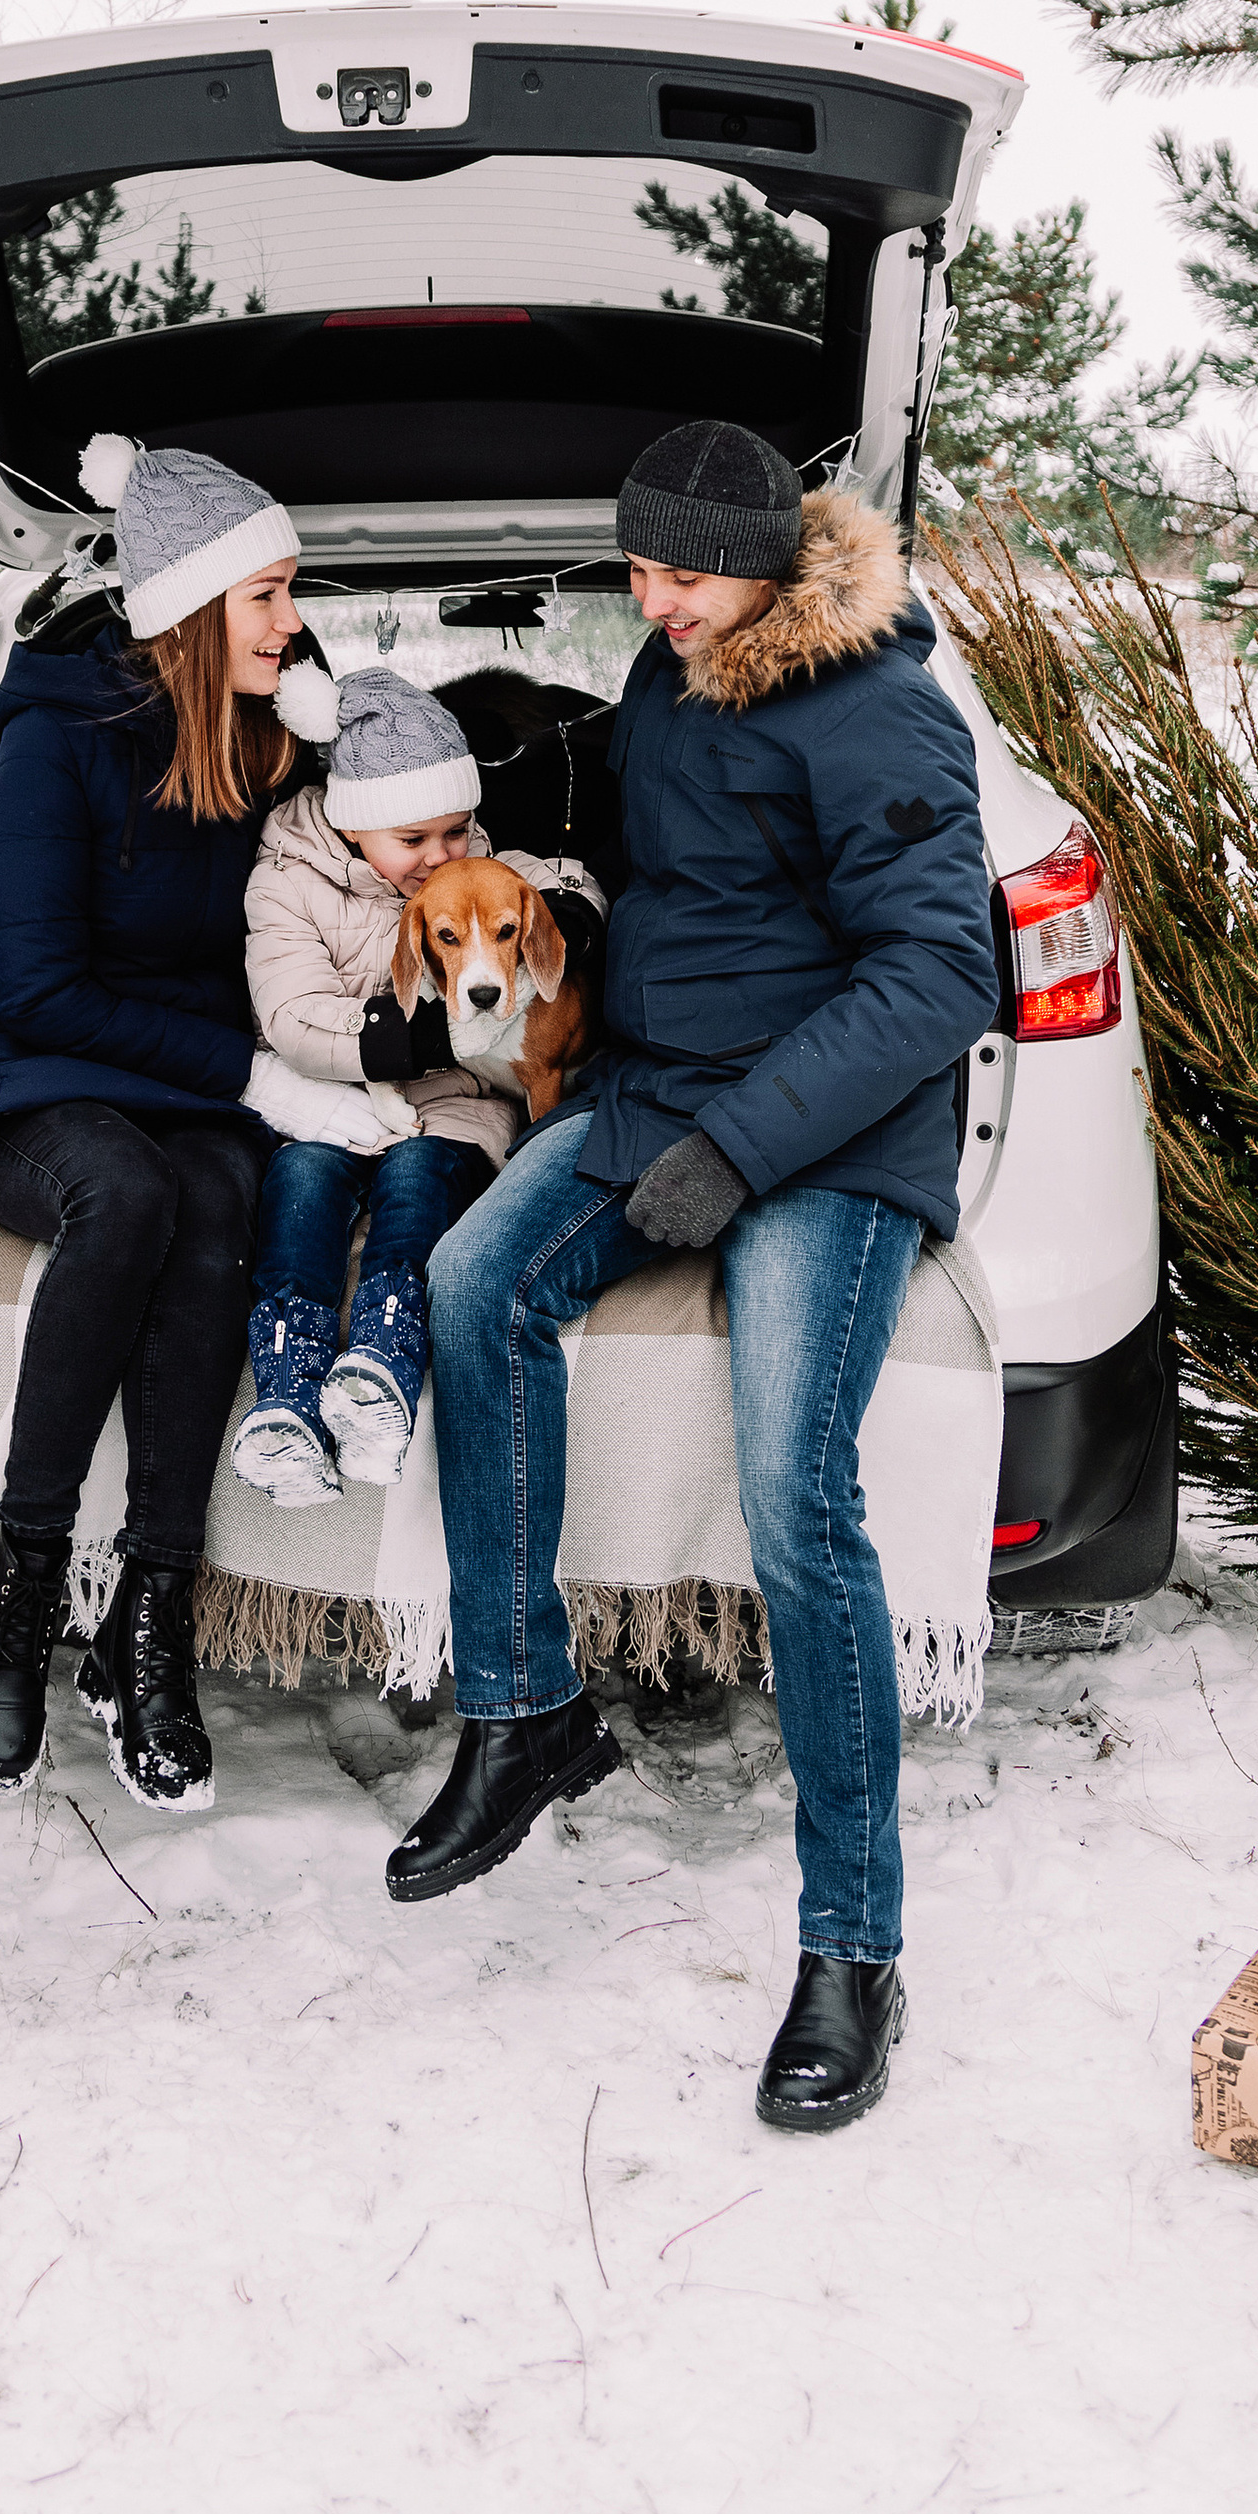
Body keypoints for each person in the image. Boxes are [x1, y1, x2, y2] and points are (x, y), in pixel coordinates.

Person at [393, 419, 1000, 2135]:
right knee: (467, 1286)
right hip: (655, 1092)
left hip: (827, 1131)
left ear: (764, 560)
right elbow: (669, 866)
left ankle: (853, 1942)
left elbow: (940, 971)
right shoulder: (674, 674)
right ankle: (528, 1713)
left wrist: (740, 1151)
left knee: (795, 1493)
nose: (644, 596)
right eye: (635, 565)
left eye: (674, 568)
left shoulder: (880, 707)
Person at [0, 431, 397, 1814]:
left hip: (198, 1072)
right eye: (269, 594)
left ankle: (150, 1618)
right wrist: (263, 1084)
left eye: (290, 592)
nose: (292, 619)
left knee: (217, 1213)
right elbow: (48, 984)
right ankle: (15, 1589)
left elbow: (379, 861)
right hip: (31, 1066)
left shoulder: (263, 747)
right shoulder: (53, 744)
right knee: (124, 1195)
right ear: (190, 607)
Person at [231, 662, 606, 1501]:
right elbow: (294, 1017)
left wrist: (573, 914)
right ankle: (288, 1389)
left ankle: (383, 1366)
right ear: (354, 822)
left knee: (420, 1178)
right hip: (326, 1100)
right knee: (299, 1182)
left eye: (457, 832)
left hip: (453, 1107)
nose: (440, 857)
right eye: (414, 841)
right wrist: (433, 1031)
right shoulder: (288, 880)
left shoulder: (476, 863)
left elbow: (563, 877)